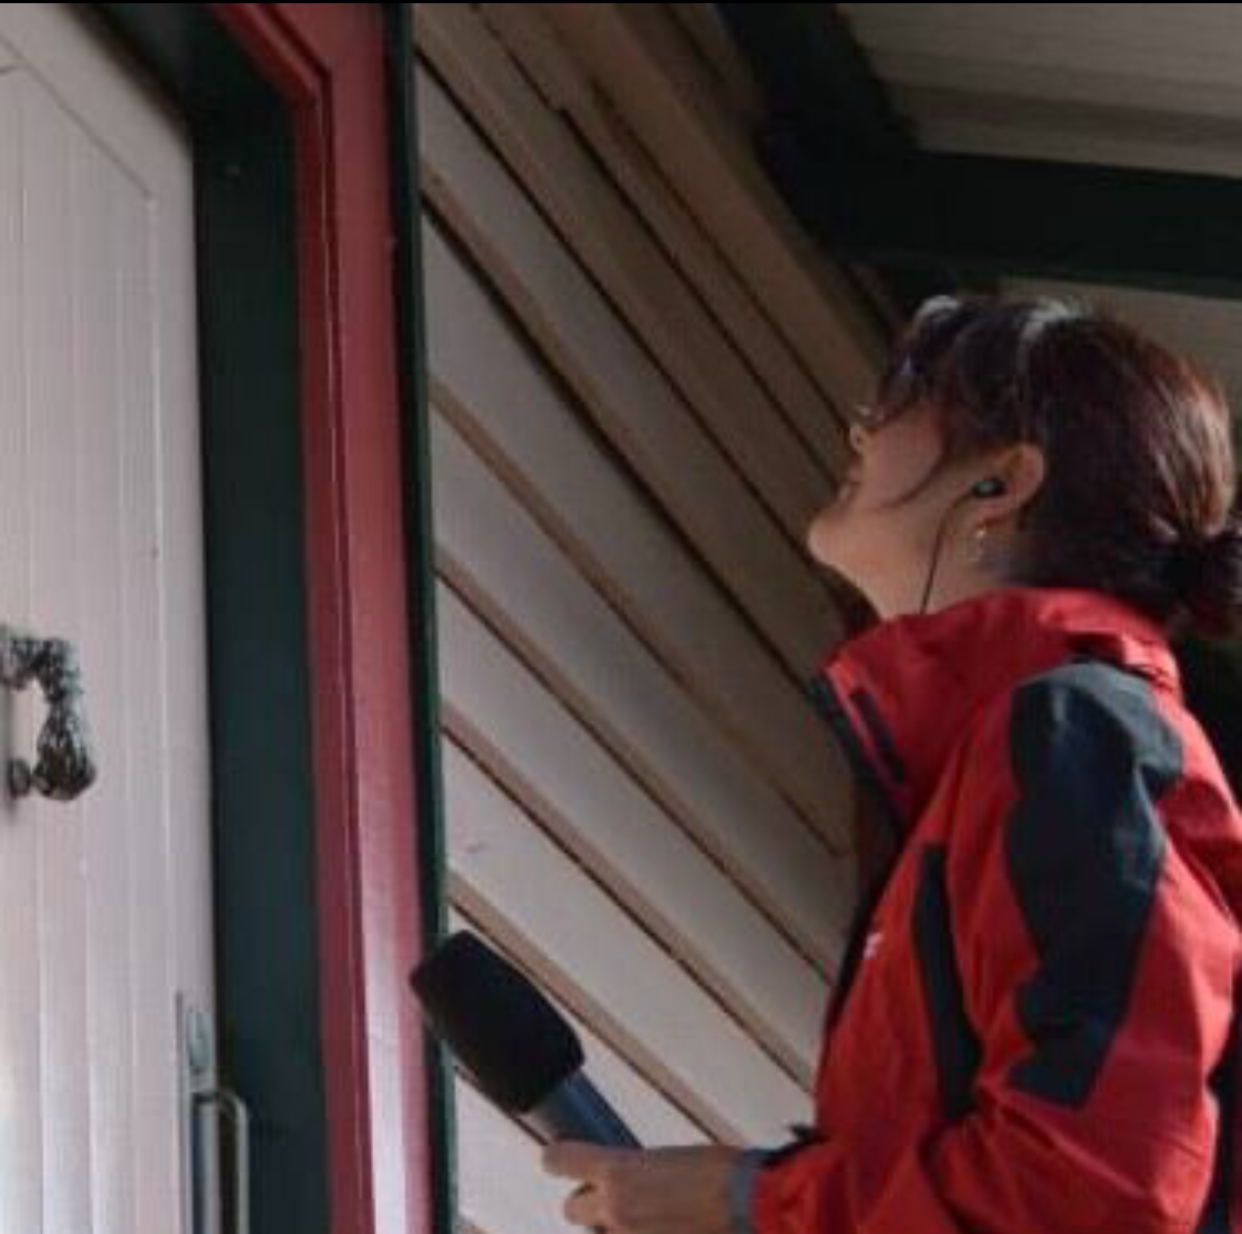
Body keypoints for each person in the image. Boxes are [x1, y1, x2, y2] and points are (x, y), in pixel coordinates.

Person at [540, 295, 1242, 1232]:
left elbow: (1096, 1193)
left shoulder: (1076, 735)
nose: (860, 425)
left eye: (909, 389)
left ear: (1004, 481)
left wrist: (752, 1198)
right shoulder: (1015, 752)